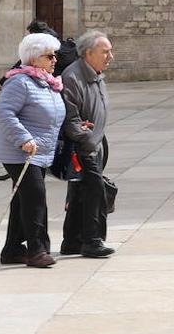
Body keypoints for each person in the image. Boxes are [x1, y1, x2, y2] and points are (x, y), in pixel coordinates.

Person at [0, 33, 66, 268]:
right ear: (34, 59)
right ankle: (37, 250)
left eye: (55, 55)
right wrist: (23, 138)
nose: (55, 59)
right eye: (50, 56)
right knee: (36, 198)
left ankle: (12, 249)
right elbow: (4, 112)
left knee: (22, 199)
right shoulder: (20, 82)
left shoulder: (46, 82)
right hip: (21, 153)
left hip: (39, 152)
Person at [60, 29, 115, 259]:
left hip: (94, 144)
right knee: (95, 191)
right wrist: (85, 137)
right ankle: (92, 240)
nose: (110, 56)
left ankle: (72, 241)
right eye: (105, 52)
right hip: (82, 147)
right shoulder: (72, 77)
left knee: (81, 192)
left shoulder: (95, 74)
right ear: (89, 53)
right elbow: (70, 117)